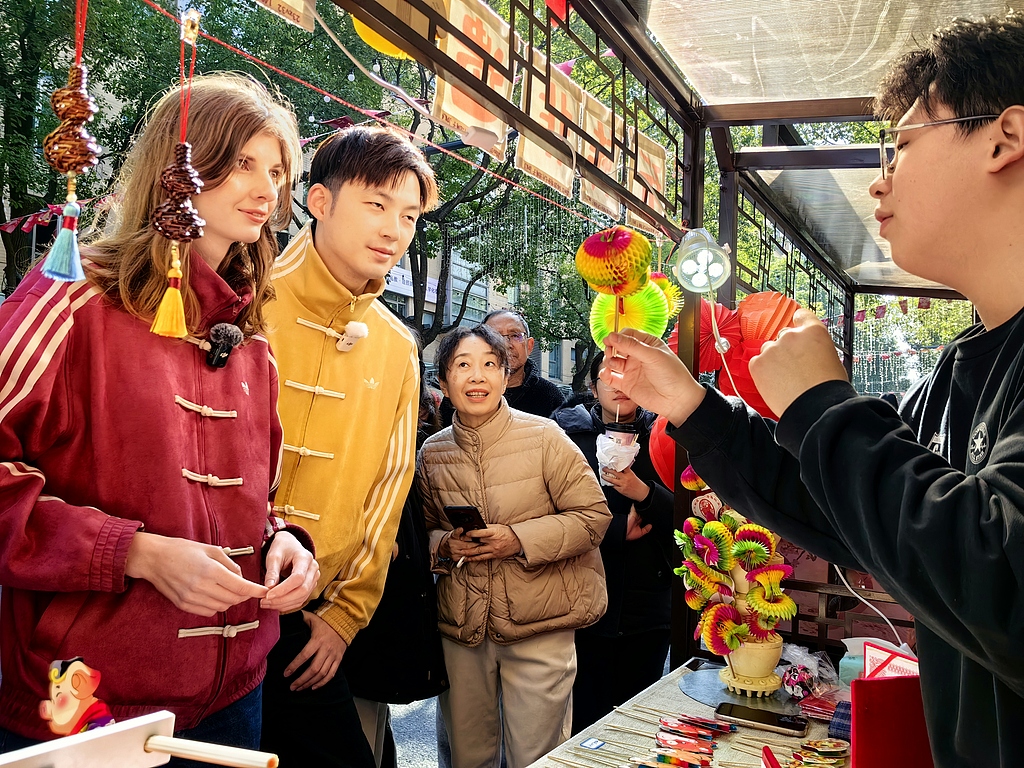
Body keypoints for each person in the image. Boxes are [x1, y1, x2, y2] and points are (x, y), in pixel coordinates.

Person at [600, 13, 1024, 767]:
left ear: (1004, 137)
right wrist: (697, 408)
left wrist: (824, 405)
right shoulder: (964, 367)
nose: (878, 179)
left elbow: (1006, 581)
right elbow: (840, 506)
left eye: (901, 145)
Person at [0, 74, 319, 758]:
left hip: (236, 695)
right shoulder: (72, 298)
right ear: (180, 165)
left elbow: (256, 501)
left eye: (276, 171)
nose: (267, 190)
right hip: (87, 702)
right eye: (241, 164)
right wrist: (134, 552)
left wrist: (282, 541)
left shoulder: (250, 342)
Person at [260, 125, 439, 768]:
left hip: (311, 620)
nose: (394, 228)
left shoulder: (395, 345)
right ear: (319, 201)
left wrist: (345, 617)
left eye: (409, 214)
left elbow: (389, 489)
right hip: (206, 598)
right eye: (376, 204)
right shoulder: (248, 301)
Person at [418, 324, 611, 768]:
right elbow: (422, 533)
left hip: (540, 624)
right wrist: (448, 543)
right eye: (462, 366)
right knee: (468, 757)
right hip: (463, 628)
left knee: (537, 759)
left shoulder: (545, 437)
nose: (477, 377)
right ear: (444, 382)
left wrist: (518, 539)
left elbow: (593, 518)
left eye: (489, 364)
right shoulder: (432, 451)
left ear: (507, 376)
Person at [554, 351, 676, 733]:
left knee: (638, 727)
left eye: (630, 376)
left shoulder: (667, 436)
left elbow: (692, 518)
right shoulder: (566, 438)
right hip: (583, 605)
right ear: (593, 388)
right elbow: (549, 514)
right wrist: (615, 529)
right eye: (609, 376)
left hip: (648, 607)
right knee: (585, 726)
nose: (619, 386)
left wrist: (645, 492)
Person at [342, 380, 450, 768]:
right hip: (353, 613)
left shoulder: (409, 453)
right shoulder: (355, 438)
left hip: (388, 606)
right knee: (359, 728)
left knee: (372, 724)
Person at [439, 310, 564, 426]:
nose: (505, 344)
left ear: (529, 346)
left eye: (515, 335)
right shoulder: (460, 395)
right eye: (495, 336)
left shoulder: (550, 396)